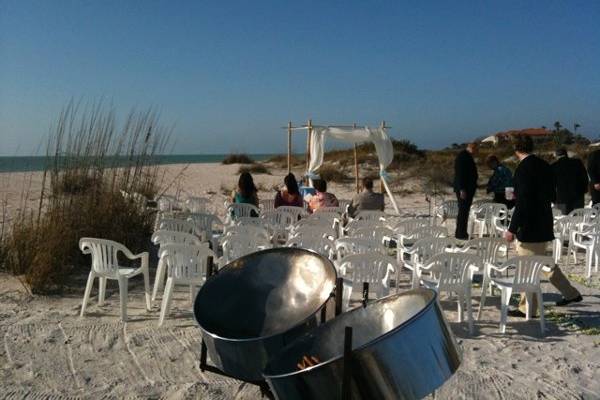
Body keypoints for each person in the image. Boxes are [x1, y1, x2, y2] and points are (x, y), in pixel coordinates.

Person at [504, 135, 582, 318]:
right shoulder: (545, 166)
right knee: (544, 263)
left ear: (516, 150)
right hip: (544, 220)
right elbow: (549, 194)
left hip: (530, 226)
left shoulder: (523, 169)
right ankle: (571, 293)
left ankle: (527, 308)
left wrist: (512, 228)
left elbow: (524, 203)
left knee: (527, 268)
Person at [453, 142, 479, 240]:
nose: (477, 152)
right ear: (472, 148)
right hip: (464, 189)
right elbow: (460, 174)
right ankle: (460, 234)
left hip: (468, 189)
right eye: (476, 150)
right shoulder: (462, 156)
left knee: (465, 211)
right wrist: (462, 189)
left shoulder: (467, 156)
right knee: (463, 211)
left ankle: (462, 232)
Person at [552, 148, 589, 215]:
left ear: (557, 156)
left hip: (561, 197)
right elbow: (585, 177)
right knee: (579, 219)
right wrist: (584, 190)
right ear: (566, 154)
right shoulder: (577, 162)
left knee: (564, 220)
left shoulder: (553, 166)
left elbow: (552, 184)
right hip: (578, 195)